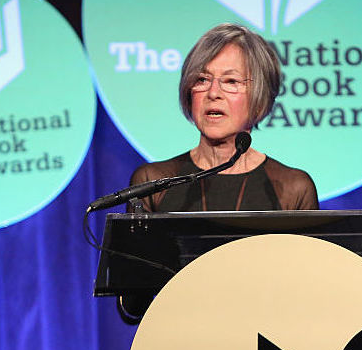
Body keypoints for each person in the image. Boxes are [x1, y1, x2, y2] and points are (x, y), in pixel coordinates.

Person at [129, 23, 319, 212]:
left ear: (259, 97)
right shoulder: (152, 183)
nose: (213, 93)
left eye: (231, 81)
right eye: (202, 79)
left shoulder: (293, 189)